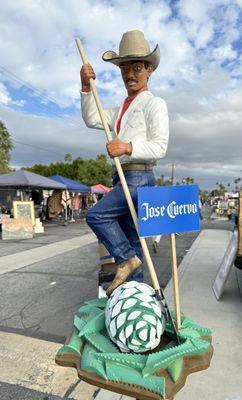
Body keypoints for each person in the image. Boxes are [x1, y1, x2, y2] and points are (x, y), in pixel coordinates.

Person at [80, 30, 169, 296]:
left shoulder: (155, 104)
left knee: (97, 215)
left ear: (149, 70)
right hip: (122, 177)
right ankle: (135, 298)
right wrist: (86, 88)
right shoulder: (121, 108)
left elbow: (160, 146)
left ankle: (125, 259)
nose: (130, 73)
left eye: (137, 67)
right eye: (124, 68)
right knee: (133, 241)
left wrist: (128, 146)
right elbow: (93, 118)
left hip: (139, 177)